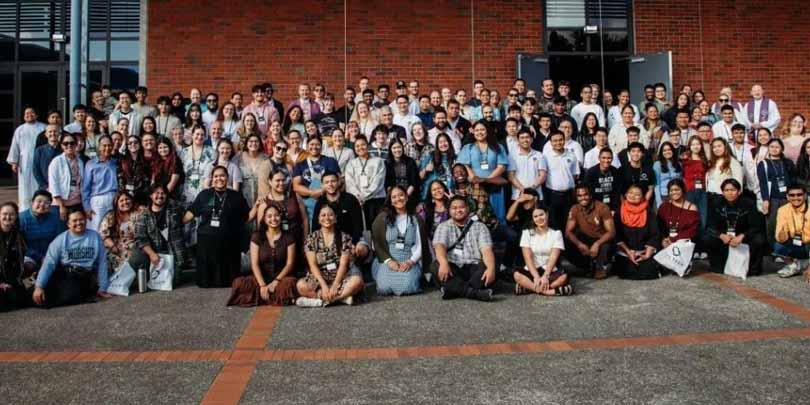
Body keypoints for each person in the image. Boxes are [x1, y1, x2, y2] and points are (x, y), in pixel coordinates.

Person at [183, 166, 250, 287]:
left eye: (222, 176)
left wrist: (258, 206)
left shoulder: (236, 196)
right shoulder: (204, 194)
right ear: (212, 179)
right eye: (216, 176)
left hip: (229, 240)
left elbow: (247, 216)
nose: (219, 178)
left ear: (227, 178)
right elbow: (191, 212)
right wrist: (179, 221)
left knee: (230, 278)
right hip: (206, 239)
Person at [32, 209, 111, 308]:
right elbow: (49, 263)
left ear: (85, 220)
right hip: (64, 274)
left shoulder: (95, 237)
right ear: (68, 224)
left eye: (81, 219)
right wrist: (39, 286)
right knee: (40, 293)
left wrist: (103, 288)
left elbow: (102, 263)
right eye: (74, 221)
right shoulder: (60, 240)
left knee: (63, 296)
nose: (78, 223)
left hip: (85, 276)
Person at [228, 204, 298, 306]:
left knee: (290, 284)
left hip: (281, 278)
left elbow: (289, 264)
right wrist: (262, 285)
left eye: (276, 215)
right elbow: (254, 264)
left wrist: (276, 281)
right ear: (264, 219)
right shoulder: (257, 236)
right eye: (269, 216)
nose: (273, 219)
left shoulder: (289, 237)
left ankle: (262, 297)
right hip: (261, 278)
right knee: (239, 283)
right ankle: (271, 296)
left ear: (280, 217)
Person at [296, 205, 364, 307]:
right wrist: (323, 285)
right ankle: (342, 298)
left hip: (340, 277)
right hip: (320, 279)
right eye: (323, 215)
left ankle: (323, 301)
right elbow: (312, 265)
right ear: (318, 219)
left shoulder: (344, 237)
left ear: (335, 218)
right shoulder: (311, 238)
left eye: (330, 215)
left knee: (357, 281)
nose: (327, 218)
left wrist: (335, 285)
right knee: (300, 285)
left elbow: (343, 264)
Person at [431, 196, 496, 301]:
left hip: (474, 267)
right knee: (436, 266)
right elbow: (439, 246)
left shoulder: (480, 227)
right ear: (449, 210)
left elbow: (487, 250)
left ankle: (453, 290)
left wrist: (491, 269)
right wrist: (443, 263)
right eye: (454, 208)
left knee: (489, 266)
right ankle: (473, 293)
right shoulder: (443, 226)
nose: (458, 210)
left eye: (461, 207)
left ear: (468, 208)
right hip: (453, 268)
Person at [371, 185, 431, 296]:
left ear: (406, 197)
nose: (398, 199)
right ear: (390, 201)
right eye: (394, 197)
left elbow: (421, 245)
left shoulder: (416, 219)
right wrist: (389, 261)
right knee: (384, 288)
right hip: (388, 259)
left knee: (408, 287)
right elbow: (377, 243)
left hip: (408, 260)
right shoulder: (383, 218)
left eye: (401, 195)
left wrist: (410, 262)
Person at [703, 179, 767, 276]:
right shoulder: (716, 203)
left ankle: (753, 269)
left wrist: (742, 236)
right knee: (708, 238)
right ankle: (717, 266)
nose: (730, 193)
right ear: (722, 192)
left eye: (733, 190)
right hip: (724, 236)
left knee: (759, 239)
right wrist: (721, 235)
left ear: (739, 191)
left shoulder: (748, 203)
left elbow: (756, 225)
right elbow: (710, 225)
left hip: (743, 234)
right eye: (726, 190)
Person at [514, 205, 574, 296]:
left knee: (564, 277)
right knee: (517, 275)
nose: (539, 218)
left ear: (547, 214)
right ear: (533, 219)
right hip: (532, 270)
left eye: (541, 215)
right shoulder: (527, 233)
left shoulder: (556, 233)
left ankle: (530, 288)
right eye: (535, 216)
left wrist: (545, 276)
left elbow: (554, 257)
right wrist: (536, 276)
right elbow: (527, 257)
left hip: (549, 270)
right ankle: (551, 291)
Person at [458, 121, 509, 223]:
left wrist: (486, 180)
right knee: (476, 216)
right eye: (477, 130)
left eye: (482, 129)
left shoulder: (498, 146)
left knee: (497, 216)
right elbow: (463, 165)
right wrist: (474, 178)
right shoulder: (468, 147)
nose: (479, 132)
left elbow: (502, 166)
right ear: (473, 132)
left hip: (494, 186)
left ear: (487, 131)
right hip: (474, 188)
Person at [564, 185, 616, 279]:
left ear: (590, 195)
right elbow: (568, 232)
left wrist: (597, 244)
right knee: (566, 243)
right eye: (579, 196)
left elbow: (611, 232)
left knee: (606, 245)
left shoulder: (602, 207)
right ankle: (588, 267)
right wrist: (579, 244)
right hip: (586, 239)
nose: (583, 198)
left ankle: (600, 266)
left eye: (585, 194)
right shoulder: (574, 208)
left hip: (601, 239)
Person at [614, 185, 661, 280]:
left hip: (644, 251)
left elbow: (655, 234)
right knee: (627, 271)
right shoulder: (619, 212)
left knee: (648, 272)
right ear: (625, 194)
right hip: (626, 251)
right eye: (630, 193)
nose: (633, 196)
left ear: (642, 197)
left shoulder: (649, 212)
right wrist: (628, 252)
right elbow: (617, 234)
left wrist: (647, 254)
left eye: (637, 194)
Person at [292, 136, 340, 223]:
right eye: (312, 144)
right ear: (307, 147)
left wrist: (322, 191)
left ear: (321, 147)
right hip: (308, 203)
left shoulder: (330, 161)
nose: (314, 147)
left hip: (328, 200)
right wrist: (312, 192)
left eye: (317, 144)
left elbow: (338, 181)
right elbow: (296, 186)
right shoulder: (300, 165)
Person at [757, 138, 796, 244]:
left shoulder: (788, 162)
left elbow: (793, 180)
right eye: (772, 147)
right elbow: (763, 183)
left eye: (777, 147)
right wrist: (765, 200)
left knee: (788, 223)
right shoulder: (763, 164)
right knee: (772, 224)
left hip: (787, 198)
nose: (774, 149)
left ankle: (786, 248)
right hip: (772, 199)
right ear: (768, 148)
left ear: (782, 149)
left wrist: (792, 195)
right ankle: (773, 248)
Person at [344, 135, 386, 229]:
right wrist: (358, 197)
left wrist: (364, 197)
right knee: (360, 229)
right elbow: (350, 183)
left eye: (363, 145)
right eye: (357, 146)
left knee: (377, 228)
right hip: (357, 201)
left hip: (376, 200)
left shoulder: (378, 161)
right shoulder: (351, 164)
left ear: (367, 145)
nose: (360, 148)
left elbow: (378, 182)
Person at [7, 107, 46, 210]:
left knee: (38, 183)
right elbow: (15, 145)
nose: (29, 115)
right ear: (24, 116)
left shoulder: (43, 127)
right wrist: (14, 162)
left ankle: (39, 207)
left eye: (32, 113)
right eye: (27, 113)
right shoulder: (20, 129)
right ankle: (25, 209)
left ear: (36, 115)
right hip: (24, 161)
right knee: (25, 186)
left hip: (40, 160)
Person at [19, 191, 65, 273]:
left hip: (50, 254)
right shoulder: (21, 218)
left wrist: (50, 256)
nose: (42, 205)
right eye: (39, 201)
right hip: (28, 256)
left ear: (50, 206)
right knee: (27, 266)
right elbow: (20, 245)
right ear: (32, 202)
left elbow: (59, 240)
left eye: (46, 203)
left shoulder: (55, 218)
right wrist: (39, 257)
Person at [82, 135, 118, 231]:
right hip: (98, 200)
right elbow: (85, 188)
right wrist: (87, 207)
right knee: (96, 228)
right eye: (104, 145)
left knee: (111, 229)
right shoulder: (91, 164)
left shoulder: (116, 163)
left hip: (114, 199)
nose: (107, 148)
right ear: (99, 147)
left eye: (109, 145)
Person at [773, 184, 810, 279]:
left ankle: (804, 264)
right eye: (792, 195)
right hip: (796, 243)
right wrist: (782, 235)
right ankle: (795, 265)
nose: (796, 198)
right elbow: (779, 235)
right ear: (787, 197)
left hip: (808, 244)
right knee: (778, 247)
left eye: (799, 195)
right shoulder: (782, 210)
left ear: (805, 195)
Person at [99, 191, 141, 272]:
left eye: (127, 199)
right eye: (121, 200)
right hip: (116, 250)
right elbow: (103, 235)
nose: (125, 202)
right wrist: (113, 247)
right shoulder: (111, 216)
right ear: (116, 204)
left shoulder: (138, 214)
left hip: (135, 249)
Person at [48, 133, 85, 220]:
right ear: (61, 146)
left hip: (76, 202)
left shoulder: (80, 162)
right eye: (65, 143)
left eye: (72, 143)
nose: (69, 145)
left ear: (76, 145)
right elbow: (53, 185)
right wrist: (61, 206)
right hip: (60, 204)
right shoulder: (56, 162)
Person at [0, 202, 29, 310]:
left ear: (16, 216)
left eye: (11, 214)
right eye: (4, 214)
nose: (8, 217)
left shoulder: (18, 235)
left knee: (20, 301)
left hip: (10, 277)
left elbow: (19, 261)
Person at [657, 179, 700, 251]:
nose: (674, 192)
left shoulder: (692, 208)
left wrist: (675, 240)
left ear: (682, 190)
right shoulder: (664, 206)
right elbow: (659, 226)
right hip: (666, 243)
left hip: (685, 243)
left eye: (677, 190)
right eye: (671, 190)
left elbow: (693, 230)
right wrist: (663, 240)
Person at [508, 128, 547, 204]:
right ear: (518, 140)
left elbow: (543, 175)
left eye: (527, 137)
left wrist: (532, 189)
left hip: (536, 195)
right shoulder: (512, 156)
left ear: (531, 139)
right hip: (517, 195)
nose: (525, 140)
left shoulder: (539, 155)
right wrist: (522, 189)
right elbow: (511, 176)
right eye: (522, 138)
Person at [237, 134, 271, 208]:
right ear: (246, 144)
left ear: (260, 144)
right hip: (242, 197)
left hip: (261, 197)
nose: (254, 143)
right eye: (251, 141)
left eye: (256, 141)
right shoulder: (239, 157)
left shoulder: (266, 158)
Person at [419, 133, 456, 200]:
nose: (443, 144)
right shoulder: (430, 156)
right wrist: (426, 169)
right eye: (440, 142)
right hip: (431, 195)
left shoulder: (455, 158)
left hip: (449, 195)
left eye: (445, 141)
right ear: (437, 145)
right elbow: (419, 177)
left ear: (449, 142)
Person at [384, 139, 420, 204]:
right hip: (393, 195)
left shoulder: (410, 161)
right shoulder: (387, 163)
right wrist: (395, 196)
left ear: (402, 148)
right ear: (390, 150)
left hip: (409, 194)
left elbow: (414, 182)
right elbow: (387, 183)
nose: (397, 150)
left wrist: (405, 196)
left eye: (399, 147)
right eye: (394, 148)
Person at [653, 142, 683, 208]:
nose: (667, 152)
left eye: (669, 149)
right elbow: (656, 185)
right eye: (664, 150)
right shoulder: (657, 164)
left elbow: (681, 181)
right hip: (664, 196)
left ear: (673, 151)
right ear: (661, 152)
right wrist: (659, 201)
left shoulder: (679, 164)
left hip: (677, 195)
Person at [33, 124, 61, 191]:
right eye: (50, 132)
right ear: (46, 134)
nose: (53, 133)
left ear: (59, 133)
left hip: (61, 187)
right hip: (45, 188)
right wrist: (44, 186)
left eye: (55, 131)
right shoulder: (39, 150)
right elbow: (36, 170)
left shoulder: (63, 150)